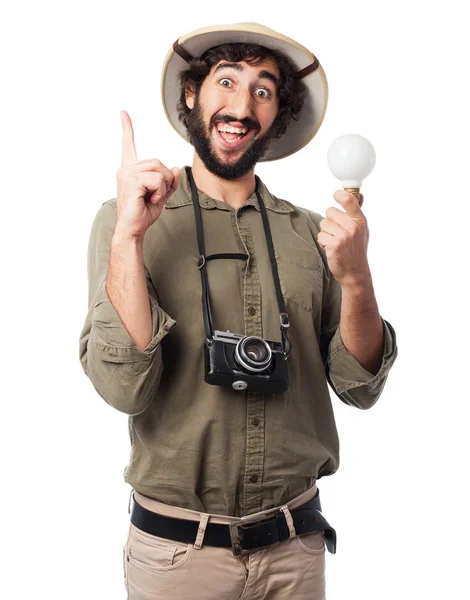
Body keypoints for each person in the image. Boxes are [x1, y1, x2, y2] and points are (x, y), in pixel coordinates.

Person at [79, 22, 398, 600]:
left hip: (295, 553)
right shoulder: (128, 218)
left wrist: (356, 278)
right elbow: (123, 387)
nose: (242, 104)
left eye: (263, 90)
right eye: (226, 81)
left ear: (276, 117)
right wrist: (129, 237)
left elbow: (360, 386)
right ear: (191, 96)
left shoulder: (312, 234)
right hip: (177, 558)